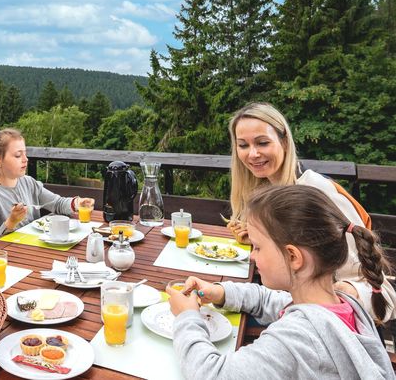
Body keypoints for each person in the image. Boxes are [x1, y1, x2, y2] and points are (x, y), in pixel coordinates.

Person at [167, 185, 395, 380]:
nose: (252, 256)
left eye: (257, 247)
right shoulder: (341, 305)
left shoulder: (295, 339)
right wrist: (219, 292)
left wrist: (187, 317)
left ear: (293, 257)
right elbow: (272, 300)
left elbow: (211, 374)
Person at [227, 102, 396, 321]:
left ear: (285, 141)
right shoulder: (266, 191)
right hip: (286, 307)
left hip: (328, 325)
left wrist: (338, 297)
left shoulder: (317, 192)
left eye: (262, 142)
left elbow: (379, 289)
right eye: (243, 145)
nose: (253, 154)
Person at [0, 128, 95, 241]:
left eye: (25, 154)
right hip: (9, 257)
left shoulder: (29, 183)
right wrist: (10, 223)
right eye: (18, 155)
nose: (25, 159)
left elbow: (56, 203)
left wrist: (77, 203)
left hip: (35, 248)